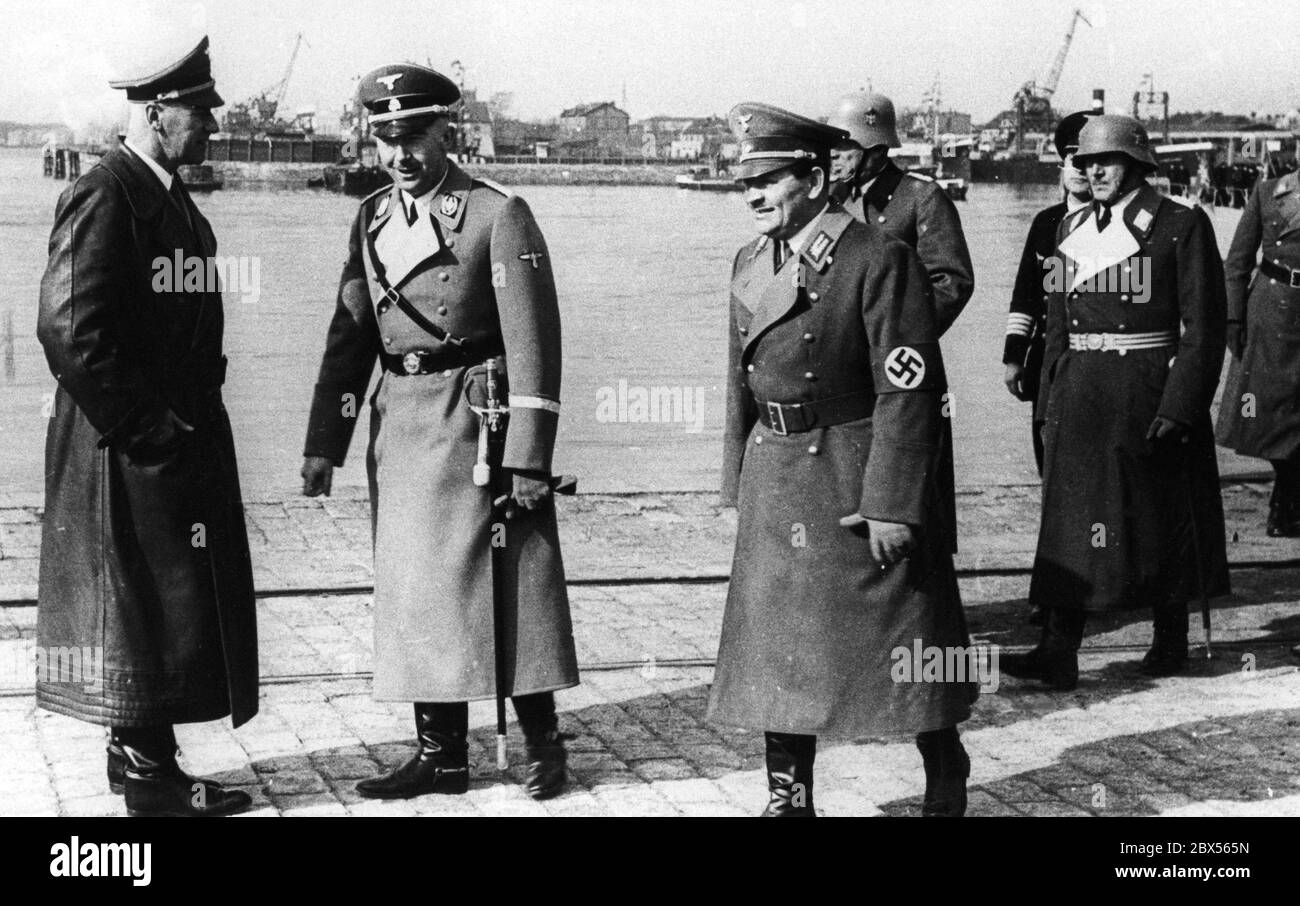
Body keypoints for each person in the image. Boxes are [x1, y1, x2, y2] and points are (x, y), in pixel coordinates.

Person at [301, 64, 578, 800]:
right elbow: (350, 334)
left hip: (476, 422)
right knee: (418, 587)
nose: (397, 155)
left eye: (411, 137)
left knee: (510, 582)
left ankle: (543, 743)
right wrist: (324, 442)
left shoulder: (497, 214)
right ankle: (441, 753)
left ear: (443, 131)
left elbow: (535, 344)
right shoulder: (370, 218)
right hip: (402, 419)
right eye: (384, 138)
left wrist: (528, 457)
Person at [707, 102, 976, 817]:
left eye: (770, 180)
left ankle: (943, 762)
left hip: (851, 472)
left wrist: (893, 501)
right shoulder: (748, 260)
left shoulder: (877, 259)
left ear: (817, 178)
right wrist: (735, 476)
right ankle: (789, 795)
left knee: (903, 629)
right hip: (777, 469)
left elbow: (906, 389)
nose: (755, 196)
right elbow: (740, 377)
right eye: (745, 184)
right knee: (774, 638)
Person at [35, 32, 257, 817]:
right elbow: (68, 327)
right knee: (141, 599)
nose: (212, 127)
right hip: (126, 447)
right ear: (159, 113)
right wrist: (147, 426)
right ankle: (151, 777)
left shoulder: (163, 196)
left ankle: (139, 764)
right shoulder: (108, 193)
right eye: (200, 113)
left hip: (164, 439)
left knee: (159, 599)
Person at [1004, 115, 1230, 690]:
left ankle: (1170, 637)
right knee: (1067, 518)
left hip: (1144, 388)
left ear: (1137, 164)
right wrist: (1050, 391)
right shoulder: (1068, 227)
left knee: (1158, 511)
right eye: (1084, 163)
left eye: (1106, 162)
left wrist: (1181, 406)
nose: (1093, 171)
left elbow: (1203, 329)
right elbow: (1056, 318)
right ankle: (1058, 648)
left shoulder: (1180, 224)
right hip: (1079, 390)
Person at [827, 92, 974, 553]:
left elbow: (952, 281)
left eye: (844, 151)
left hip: (898, 369)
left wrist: (897, 341)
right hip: (844, 375)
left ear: (874, 149)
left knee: (909, 485)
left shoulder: (920, 198)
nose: (834, 161)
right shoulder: (832, 203)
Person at [1004, 111, 1095, 476]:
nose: (1077, 168)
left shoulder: (1122, 226)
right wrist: (1014, 357)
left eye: (1087, 160)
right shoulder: (1045, 223)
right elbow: (1026, 293)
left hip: (1096, 357)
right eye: (1070, 159)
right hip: (1047, 359)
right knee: (1050, 459)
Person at [1214, 165, 1300, 539]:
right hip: (1271, 311)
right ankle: (1288, 497)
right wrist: (1233, 318)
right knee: (1269, 408)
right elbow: (1237, 262)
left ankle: (1288, 501)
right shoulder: (1267, 192)